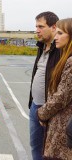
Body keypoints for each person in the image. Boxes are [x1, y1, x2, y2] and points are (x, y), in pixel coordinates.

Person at [38, 18, 72, 159]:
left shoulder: (70, 62)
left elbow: (62, 96)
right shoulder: (65, 57)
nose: (56, 37)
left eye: (60, 33)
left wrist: (42, 113)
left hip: (63, 127)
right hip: (59, 123)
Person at [28, 11, 60, 160]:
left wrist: (49, 109)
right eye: (36, 26)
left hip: (52, 110)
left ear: (53, 27)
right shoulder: (41, 47)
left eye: (41, 26)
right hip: (36, 106)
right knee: (35, 145)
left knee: (51, 150)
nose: (37, 30)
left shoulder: (62, 51)